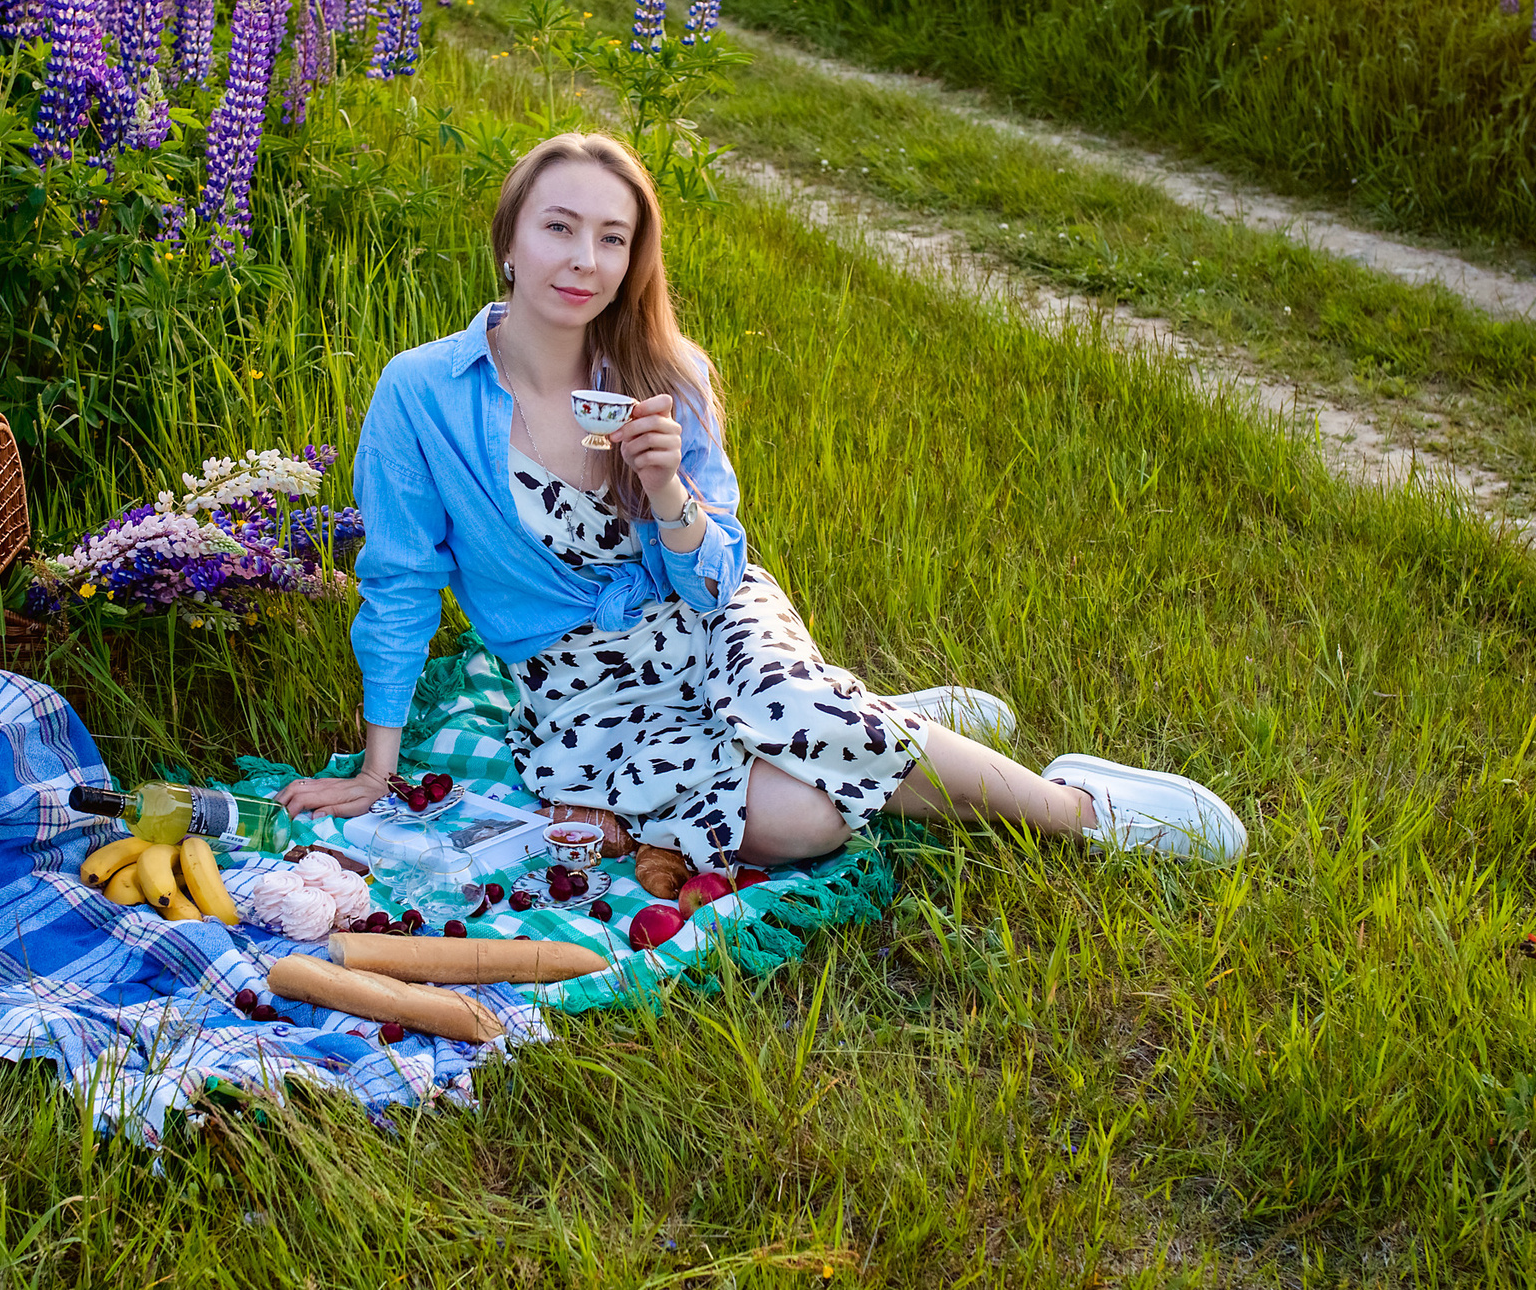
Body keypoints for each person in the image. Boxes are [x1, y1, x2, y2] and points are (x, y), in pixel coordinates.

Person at [278, 133, 1247, 874]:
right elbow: (400, 581)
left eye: (611, 237)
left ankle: (1081, 812)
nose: (582, 258)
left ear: (632, 259)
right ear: (509, 241)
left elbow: (716, 575)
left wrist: (667, 490)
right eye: (559, 227)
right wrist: (375, 769)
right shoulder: (423, 392)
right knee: (800, 823)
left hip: (706, 617)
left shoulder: (667, 373)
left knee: (781, 696)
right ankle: (878, 718)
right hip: (577, 681)